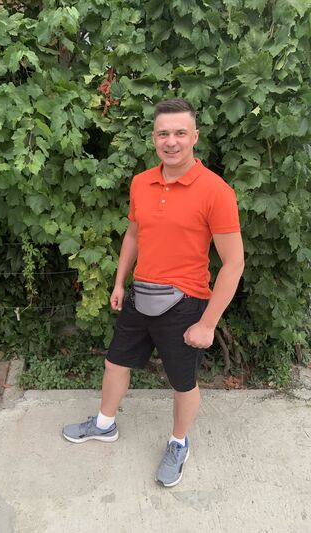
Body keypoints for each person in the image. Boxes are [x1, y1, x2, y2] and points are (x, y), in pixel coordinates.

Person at [63, 97, 244, 487]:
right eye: (163, 134)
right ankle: (104, 424)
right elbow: (133, 234)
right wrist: (119, 282)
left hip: (186, 302)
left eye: (180, 133)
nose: (171, 141)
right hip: (140, 294)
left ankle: (179, 443)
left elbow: (234, 264)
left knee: (182, 383)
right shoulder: (141, 183)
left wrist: (208, 324)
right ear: (153, 138)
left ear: (195, 136)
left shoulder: (216, 191)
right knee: (116, 363)